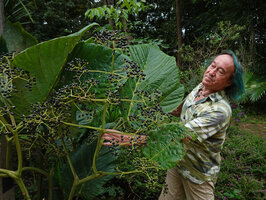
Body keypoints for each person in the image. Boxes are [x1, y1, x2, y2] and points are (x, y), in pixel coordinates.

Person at [102, 50, 245, 200]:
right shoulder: (202, 87)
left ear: (229, 82)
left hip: (198, 173)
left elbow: (179, 137)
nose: (211, 72)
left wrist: (131, 139)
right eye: (212, 65)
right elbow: (179, 110)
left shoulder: (219, 111)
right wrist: (147, 104)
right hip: (176, 161)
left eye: (220, 71)